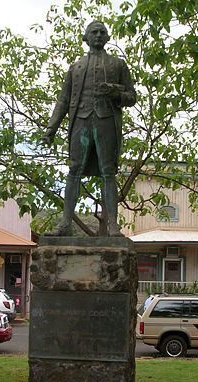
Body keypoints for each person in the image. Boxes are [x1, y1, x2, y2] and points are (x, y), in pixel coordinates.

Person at [42, 20, 136, 236]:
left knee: (108, 172)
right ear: (85, 37)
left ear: (108, 37)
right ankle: (66, 223)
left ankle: (113, 225)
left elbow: (131, 97)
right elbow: (63, 101)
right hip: (81, 121)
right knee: (74, 170)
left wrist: (114, 93)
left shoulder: (118, 65)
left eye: (103, 32)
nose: (98, 34)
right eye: (94, 32)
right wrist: (50, 130)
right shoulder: (75, 68)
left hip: (106, 122)